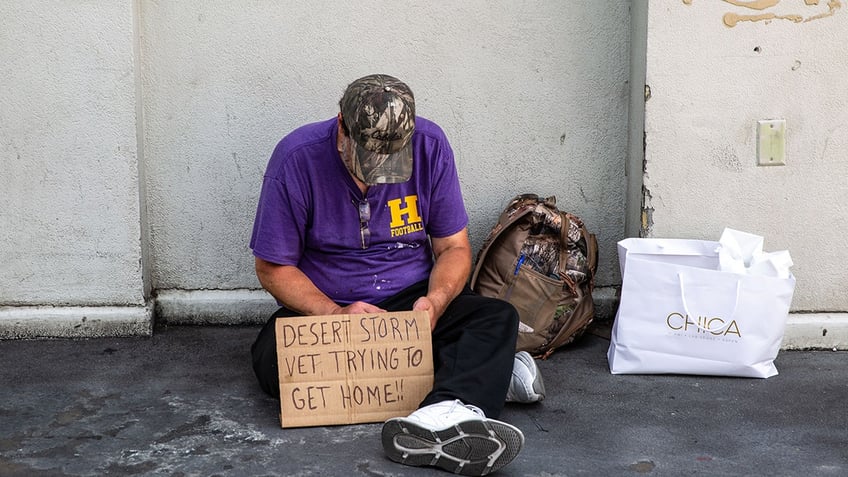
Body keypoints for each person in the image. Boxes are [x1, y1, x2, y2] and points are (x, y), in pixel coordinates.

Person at [249, 73, 542, 476]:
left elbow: (453, 248)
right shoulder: (296, 158)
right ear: (342, 128)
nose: (377, 174)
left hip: (412, 299)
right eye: (368, 159)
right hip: (329, 306)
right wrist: (334, 315)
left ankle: (439, 418)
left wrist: (435, 303)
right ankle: (471, 384)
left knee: (496, 318)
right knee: (272, 364)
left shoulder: (430, 145)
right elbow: (272, 267)